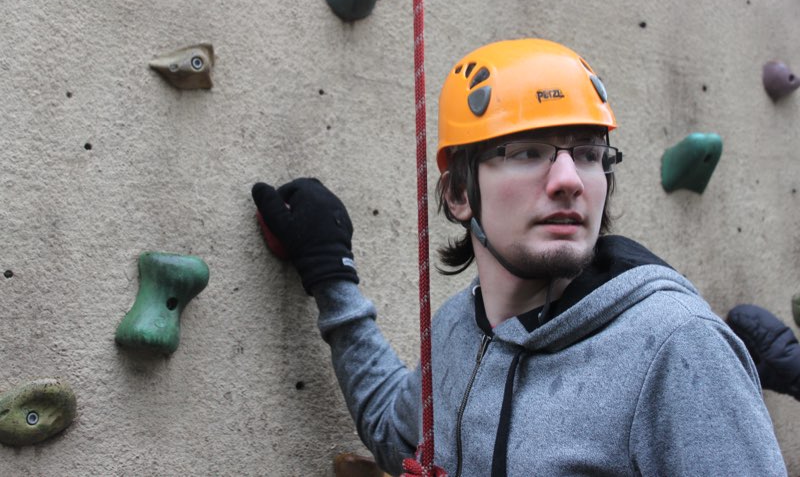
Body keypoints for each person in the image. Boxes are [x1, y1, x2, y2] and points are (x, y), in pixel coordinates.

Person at [252, 39, 786, 476]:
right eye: (527, 152)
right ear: (460, 194)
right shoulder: (462, 331)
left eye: (588, 155)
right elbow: (400, 437)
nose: (568, 181)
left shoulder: (675, 348)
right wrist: (331, 275)